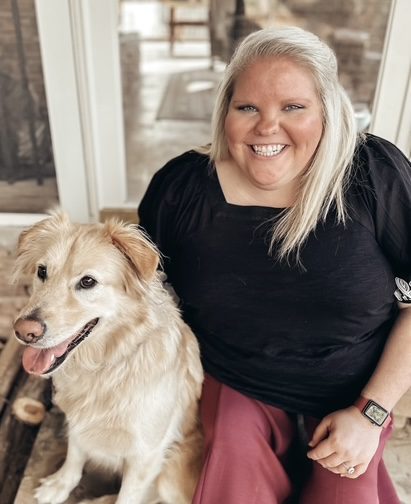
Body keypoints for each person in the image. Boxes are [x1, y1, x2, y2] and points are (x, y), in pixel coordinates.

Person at [138, 26, 411, 504]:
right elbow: (144, 295)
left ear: (327, 110)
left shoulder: (372, 174)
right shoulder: (181, 188)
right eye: (248, 107)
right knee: (233, 474)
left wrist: (371, 414)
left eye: (293, 107)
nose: (267, 127)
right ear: (225, 111)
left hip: (353, 392)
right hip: (236, 381)